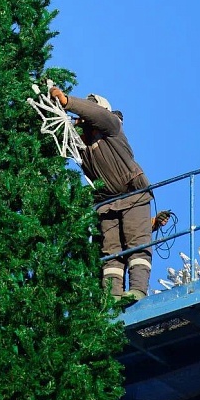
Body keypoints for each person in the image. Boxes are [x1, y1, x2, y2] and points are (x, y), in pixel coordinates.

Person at [50, 87, 154, 302]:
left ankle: (138, 290)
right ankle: (112, 296)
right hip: (107, 204)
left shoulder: (111, 127)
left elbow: (97, 114)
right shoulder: (83, 146)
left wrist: (66, 100)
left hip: (133, 194)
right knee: (111, 253)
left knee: (137, 246)